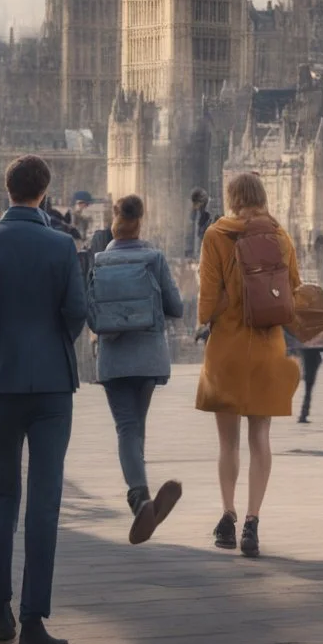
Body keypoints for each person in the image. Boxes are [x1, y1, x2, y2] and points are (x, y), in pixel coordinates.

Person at [0, 155, 87, 644]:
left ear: (6, 189)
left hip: (0, 384)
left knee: (3, 497)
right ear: (44, 192)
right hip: (52, 386)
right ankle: (34, 622)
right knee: (45, 501)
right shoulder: (62, 244)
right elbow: (77, 312)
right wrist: (56, 347)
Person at [196, 172, 300, 559]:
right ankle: (254, 521)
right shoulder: (281, 236)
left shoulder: (216, 236)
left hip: (227, 349)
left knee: (228, 442)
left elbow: (206, 304)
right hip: (267, 347)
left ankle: (228, 516)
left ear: (232, 198)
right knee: (261, 439)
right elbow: (293, 290)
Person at [92, 194, 184, 544]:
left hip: (115, 358)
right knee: (137, 426)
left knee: (126, 427)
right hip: (148, 356)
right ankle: (141, 496)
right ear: (140, 221)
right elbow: (175, 306)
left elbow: (91, 312)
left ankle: (139, 497)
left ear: (114, 221)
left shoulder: (100, 261)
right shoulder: (153, 258)